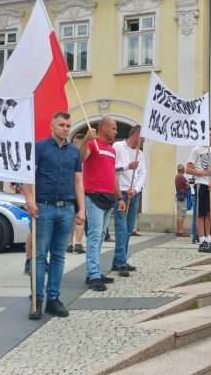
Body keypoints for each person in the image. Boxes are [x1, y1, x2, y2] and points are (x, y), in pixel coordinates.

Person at [24, 111, 85, 319]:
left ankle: (53, 299)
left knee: (58, 256)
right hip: (44, 207)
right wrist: (29, 200)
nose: (66, 129)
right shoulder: (39, 147)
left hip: (66, 208)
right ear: (52, 125)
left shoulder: (74, 153)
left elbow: (78, 181)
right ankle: (36, 300)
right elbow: (28, 175)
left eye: (68, 125)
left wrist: (81, 209)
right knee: (40, 256)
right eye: (61, 125)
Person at [80, 117, 126, 291]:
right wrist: (85, 140)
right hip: (93, 196)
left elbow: (113, 175)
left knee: (100, 237)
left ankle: (94, 271)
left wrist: (120, 198)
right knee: (94, 236)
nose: (116, 131)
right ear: (104, 127)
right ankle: (93, 275)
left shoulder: (112, 150)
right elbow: (81, 158)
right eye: (113, 128)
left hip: (108, 197)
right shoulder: (93, 144)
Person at [112, 125, 146, 277]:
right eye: (143, 136)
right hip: (121, 193)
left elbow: (143, 174)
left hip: (133, 194)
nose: (145, 139)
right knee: (121, 228)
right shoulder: (118, 146)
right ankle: (120, 263)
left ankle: (119, 260)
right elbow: (112, 168)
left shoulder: (140, 153)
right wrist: (127, 166)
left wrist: (136, 189)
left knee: (129, 228)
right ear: (136, 135)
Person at [65, 133, 87, 255]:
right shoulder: (77, 155)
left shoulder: (74, 154)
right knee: (77, 217)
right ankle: (75, 243)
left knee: (75, 218)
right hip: (75, 190)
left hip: (75, 190)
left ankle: (72, 243)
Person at [175, 164, 190, 237]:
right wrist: (187, 186)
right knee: (182, 215)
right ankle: (181, 231)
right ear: (183, 170)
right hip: (182, 197)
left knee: (178, 214)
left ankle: (178, 230)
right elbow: (188, 185)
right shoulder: (182, 177)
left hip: (178, 196)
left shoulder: (177, 177)